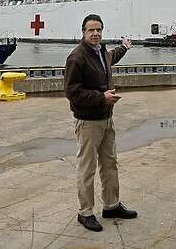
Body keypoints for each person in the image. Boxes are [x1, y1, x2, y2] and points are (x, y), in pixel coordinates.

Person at [64, 14, 138, 232]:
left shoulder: (101, 52)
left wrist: (125, 47)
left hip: (106, 119)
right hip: (88, 122)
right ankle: (85, 212)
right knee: (87, 168)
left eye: (99, 30)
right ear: (83, 32)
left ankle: (111, 205)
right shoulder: (76, 57)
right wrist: (101, 97)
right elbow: (71, 92)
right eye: (91, 30)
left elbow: (110, 58)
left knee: (109, 163)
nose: (95, 33)